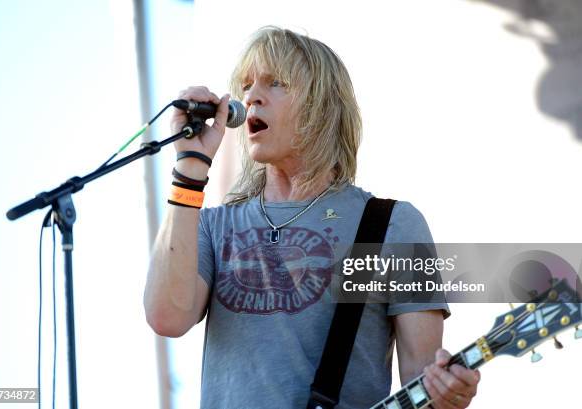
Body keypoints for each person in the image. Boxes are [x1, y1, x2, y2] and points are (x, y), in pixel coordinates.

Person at [144, 26, 480, 409]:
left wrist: (448, 395)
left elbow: (423, 378)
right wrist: (189, 171)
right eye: (247, 85)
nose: (252, 96)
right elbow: (166, 318)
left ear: (322, 106)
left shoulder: (391, 225)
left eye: (276, 83)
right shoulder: (213, 225)